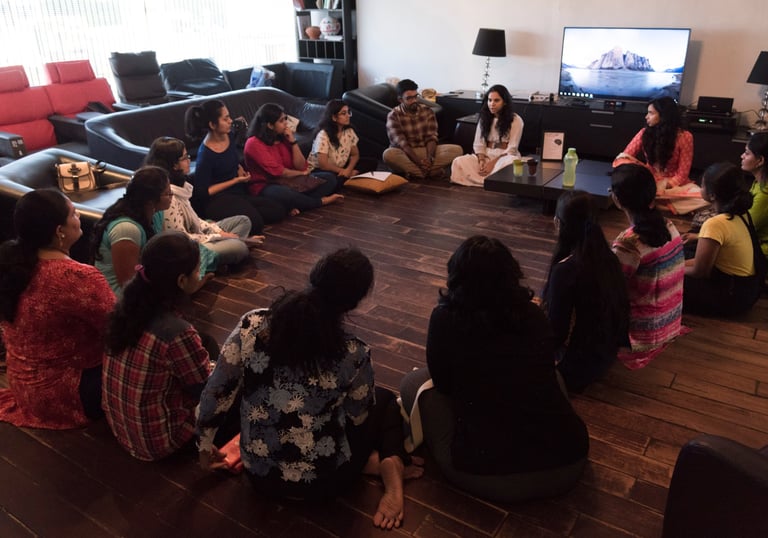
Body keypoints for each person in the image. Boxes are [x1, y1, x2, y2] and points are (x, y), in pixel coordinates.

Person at [197, 247, 422, 529]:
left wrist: (204, 446)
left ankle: (374, 463)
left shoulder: (252, 325)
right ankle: (391, 463)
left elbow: (216, 390)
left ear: (314, 276)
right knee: (385, 400)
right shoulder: (353, 353)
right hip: (326, 482)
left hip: (259, 476)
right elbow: (358, 417)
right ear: (354, 303)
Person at [399, 236, 589, 503]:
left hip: (488, 471)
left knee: (412, 383)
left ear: (457, 277)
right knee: (552, 376)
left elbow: (443, 383)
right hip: (568, 455)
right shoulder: (533, 315)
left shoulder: (445, 318)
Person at [0, 190, 115, 429]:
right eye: (73, 213)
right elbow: (118, 328)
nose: (78, 216)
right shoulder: (76, 277)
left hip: (23, 387)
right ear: (59, 231)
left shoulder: (11, 263)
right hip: (67, 395)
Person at [103, 232, 213, 461]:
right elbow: (206, 390)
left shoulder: (126, 309)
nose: (200, 275)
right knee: (236, 390)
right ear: (181, 281)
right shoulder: (176, 332)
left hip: (124, 432)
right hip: (161, 443)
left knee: (206, 343)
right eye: (197, 271)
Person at [542, 192, 630, 391]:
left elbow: (557, 333)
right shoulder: (609, 258)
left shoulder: (565, 270)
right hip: (605, 357)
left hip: (574, 369)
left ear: (558, 223)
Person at [610, 164, 686, 370]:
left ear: (616, 199)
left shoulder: (629, 243)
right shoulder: (669, 225)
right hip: (670, 322)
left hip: (643, 334)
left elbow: (610, 286)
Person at [145, 136, 262, 268]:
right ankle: (211, 261)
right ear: (173, 164)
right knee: (239, 247)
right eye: (184, 158)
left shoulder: (181, 186)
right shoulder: (168, 196)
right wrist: (221, 237)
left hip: (198, 235)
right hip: (188, 248)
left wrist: (219, 233)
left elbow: (196, 220)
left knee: (243, 221)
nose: (189, 160)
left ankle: (225, 253)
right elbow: (182, 239)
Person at [185, 99, 287, 232]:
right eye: (225, 118)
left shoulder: (229, 136)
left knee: (277, 210)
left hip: (238, 193)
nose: (230, 121)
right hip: (218, 200)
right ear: (212, 125)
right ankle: (221, 223)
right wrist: (235, 180)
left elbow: (232, 160)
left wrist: (240, 169)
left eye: (229, 117)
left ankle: (241, 216)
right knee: (256, 223)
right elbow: (204, 192)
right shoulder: (205, 154)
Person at [683, 162, 764, 316]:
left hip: (731, 297)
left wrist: (671, 270)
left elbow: (700, 271)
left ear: (712, 195)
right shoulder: (742, 212)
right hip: (748, 290)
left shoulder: (715, 224)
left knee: (662, 282)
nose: (700, 188)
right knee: (686, 251)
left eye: (702, 186)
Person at [243, 102, 344, 214]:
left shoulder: (282, 137)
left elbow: (301, 166)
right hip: (267, 185)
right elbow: (280, 173)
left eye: (285, 119)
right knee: (284, 193)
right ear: (270, 125)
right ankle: (319, 202)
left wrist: (293, 142)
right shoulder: (254, 143)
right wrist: (302, 174)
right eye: (281, 121)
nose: (286, 123)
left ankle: (296, 205)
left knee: (330, 179)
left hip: (291, 181)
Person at [91, 166, 176, 294]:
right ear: (150, 201)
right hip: (119, 296)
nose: (171, 196)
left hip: (144, 283)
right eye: (167, 193)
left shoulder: (157, 213)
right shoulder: (127, 229)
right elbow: (127, 284)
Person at [383, 79, 462, 180]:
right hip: (405, 153)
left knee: (457, 150)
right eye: (409, 98)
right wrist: (419, 162)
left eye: (415, 96)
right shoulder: (393, 115)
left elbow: (431, 137)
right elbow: (403, 144)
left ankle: (415, 172)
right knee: (388, 154)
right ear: (400, 100)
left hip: (425, 150)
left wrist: (429, 159)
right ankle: (429, 172)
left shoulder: (427, 111)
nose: (414, 101)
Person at [450, 84, 524, 186]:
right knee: (458, 161)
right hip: (486, 155)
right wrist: (481, 160)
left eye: (496, 100)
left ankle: (486, 181)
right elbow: (478, 144)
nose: (492, 104)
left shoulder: (516, 120)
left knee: (511, 162)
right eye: (490, 100)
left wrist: (492, 163)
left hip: (504, 157)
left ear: (505, 102)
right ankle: (490, 181)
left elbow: (512, 148)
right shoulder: (484, 118)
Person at [618, 97, 694, 190]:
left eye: (651, 113)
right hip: (649, 179)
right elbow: (625, 156)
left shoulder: (685, 137)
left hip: (674, 184)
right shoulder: (644, 132)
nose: (646, 117)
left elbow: (682, 174)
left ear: (664, 116)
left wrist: (663, 186)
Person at [307, 99, 376, 184]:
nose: (348, 116)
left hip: (341, 166)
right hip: (321, 170)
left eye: (348, 112)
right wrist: (343, 171)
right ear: (334, 117)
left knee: (372, 162)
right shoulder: (323, 135)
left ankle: (348, 177)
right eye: (343, 113)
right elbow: (323, 165)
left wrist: (348, 170)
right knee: (331, 179)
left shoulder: (349, 131)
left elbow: (355, 155)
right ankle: (347, 178)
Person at [741, 132, 768, 259]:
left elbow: (744, 228)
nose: (742, 156)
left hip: (761, 252)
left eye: (747, 153)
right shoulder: (759, 182)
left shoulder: (765, 194)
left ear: (760, 160)